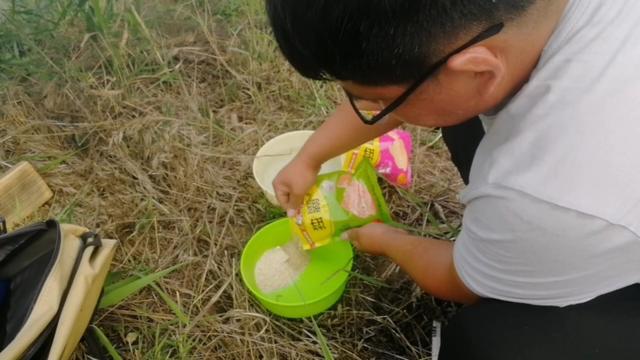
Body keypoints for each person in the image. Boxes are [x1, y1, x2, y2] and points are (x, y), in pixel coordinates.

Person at [265, 0, 640, 358]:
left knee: (490, 342)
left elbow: (459, 278)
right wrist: (310, 158)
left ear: (478, 71)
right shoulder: (525, 28)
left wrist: (384, 238)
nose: (369, 109)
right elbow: (416, 78)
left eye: (375, 102)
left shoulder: (544, 195)